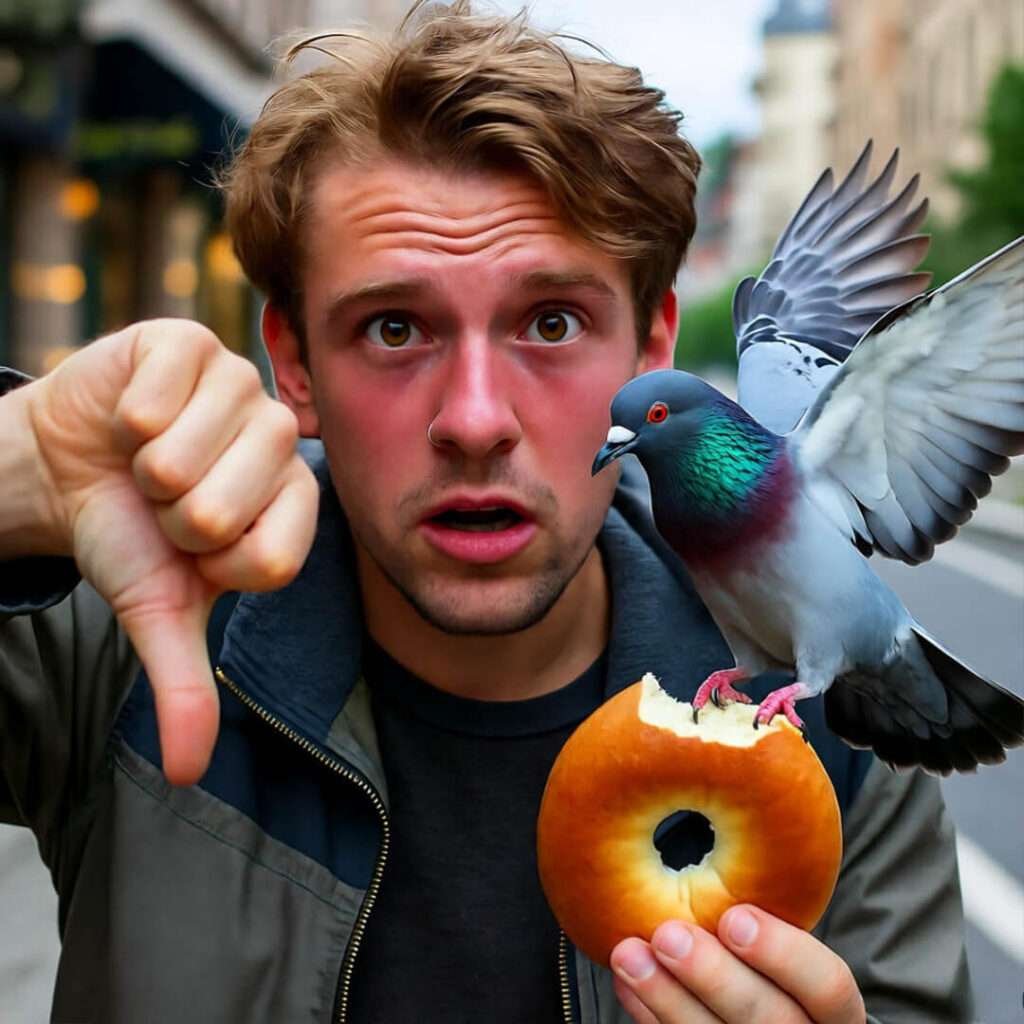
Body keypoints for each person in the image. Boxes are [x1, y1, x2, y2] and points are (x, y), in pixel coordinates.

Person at [0, 3, 974, 1022]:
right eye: (392, 327)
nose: (475, 421)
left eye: (550, 323)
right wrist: (15, 475)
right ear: (292, 363)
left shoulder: (840, 745)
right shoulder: (127, 646)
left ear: (651, 354)